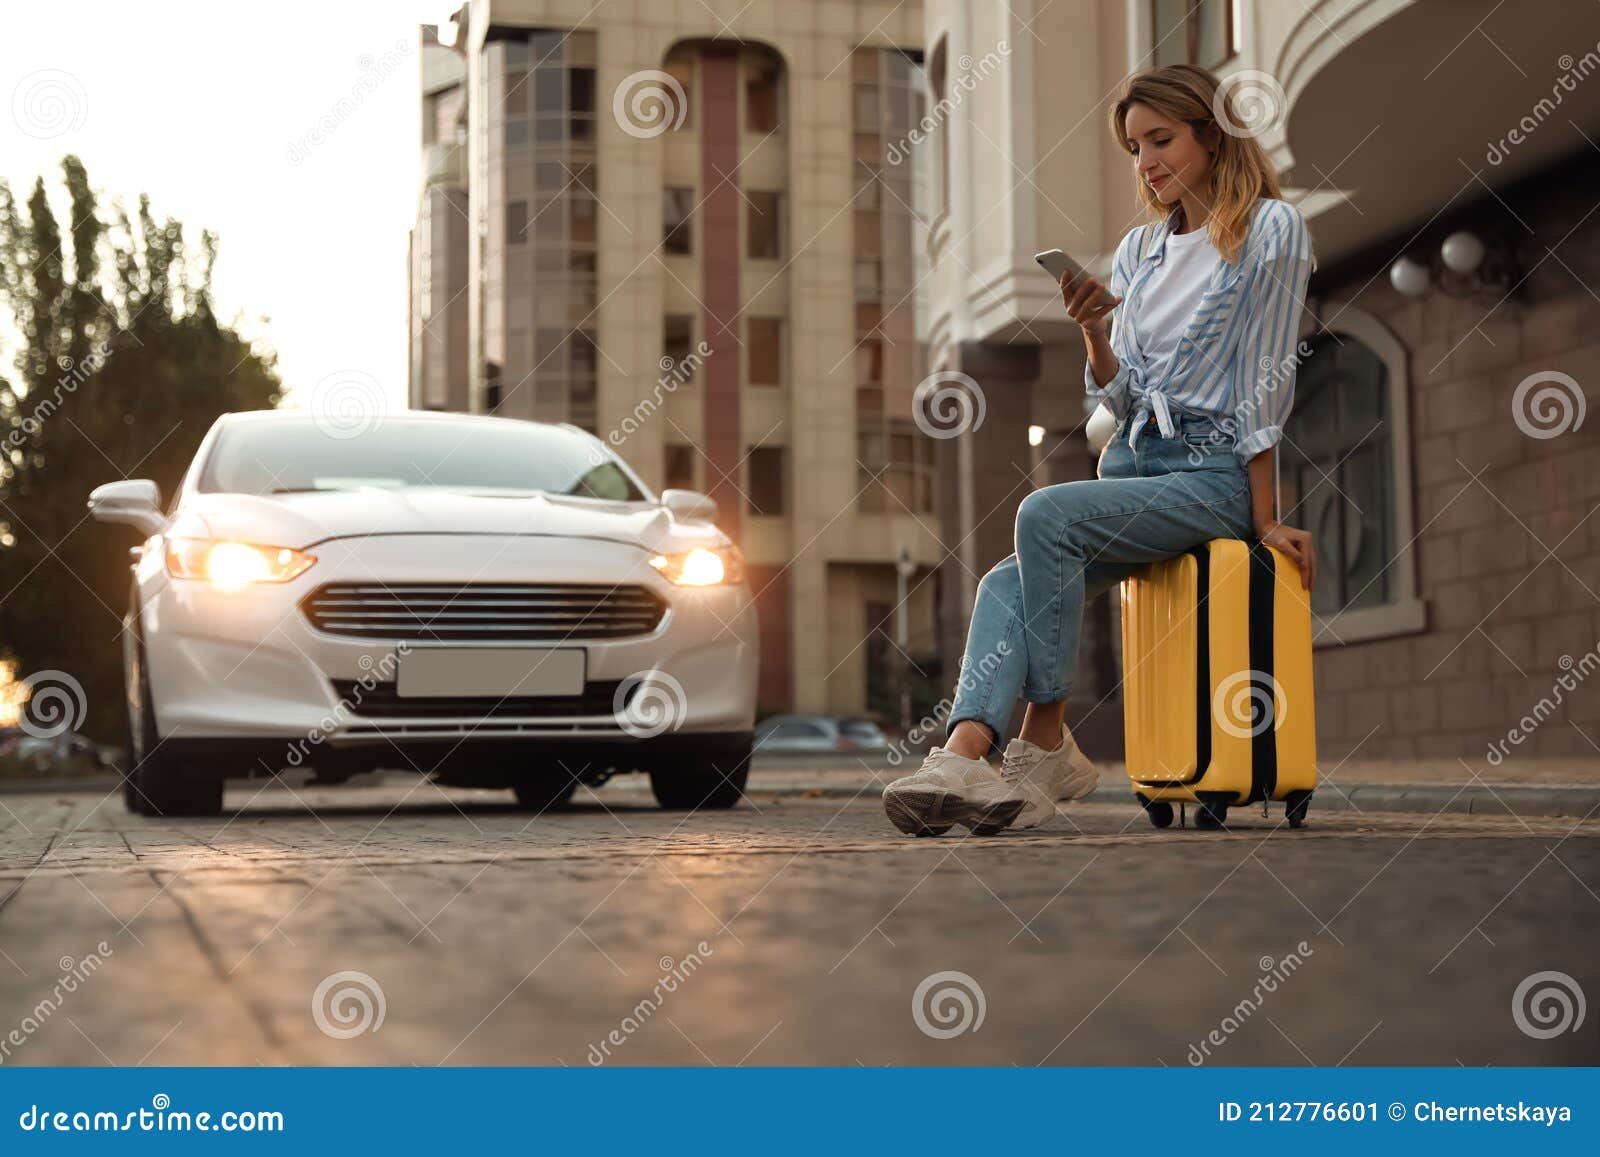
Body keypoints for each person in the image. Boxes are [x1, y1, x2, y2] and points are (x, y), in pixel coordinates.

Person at [882, 63, 1318, 838]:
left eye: (1161, 140)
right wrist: (1091, 329)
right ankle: (963, 753)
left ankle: (1047, 736)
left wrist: (1263, 518)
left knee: (1045, 514)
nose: (1146, 162)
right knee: (1004, 583)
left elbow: (1265, 382)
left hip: (1210, 476)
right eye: (1134, 147)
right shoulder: (1139, 251)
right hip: (1133, 467)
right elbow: (1118, 399)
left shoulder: (1271, 231)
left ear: (1212, 135)